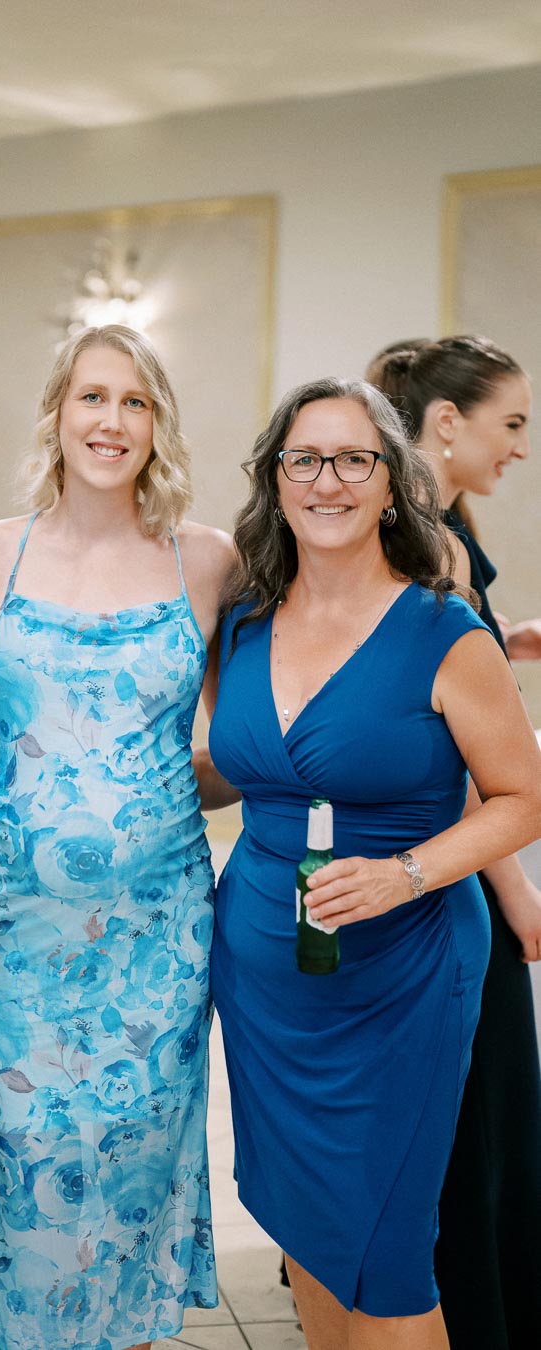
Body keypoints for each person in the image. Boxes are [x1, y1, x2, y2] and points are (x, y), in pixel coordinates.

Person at [195, 378, 541, 1349]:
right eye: (304, 459)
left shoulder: (444, 631)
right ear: (275, 480)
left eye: (356, 459)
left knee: (388, 1255)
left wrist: (408, 873)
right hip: (266, 977)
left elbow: (524, 797)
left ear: (394, 483)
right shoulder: (245, 621)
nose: (328, 480)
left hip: (404, 972)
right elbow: (239, 769)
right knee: (307, 1231)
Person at [0, 324, 235, 1350]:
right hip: (19, 937)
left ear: (158, 426)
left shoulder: (208, 560)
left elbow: (251, 730)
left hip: (157, 934)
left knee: (135, 1160)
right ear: (57, 414)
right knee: (29, 1162)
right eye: (92, 397)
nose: (110, 421)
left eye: (134, 402)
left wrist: (147, 802)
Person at [369, 335, 541, 1349]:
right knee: (479, 1124)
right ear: (445, 422)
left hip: (461, 856)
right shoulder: (420, 540)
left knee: (492, 1124)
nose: (521, 446)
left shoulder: (445, 533)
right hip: (454, 863)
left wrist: (505, 636)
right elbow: (461, 755)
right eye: (511, 424)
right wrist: (515, 894)